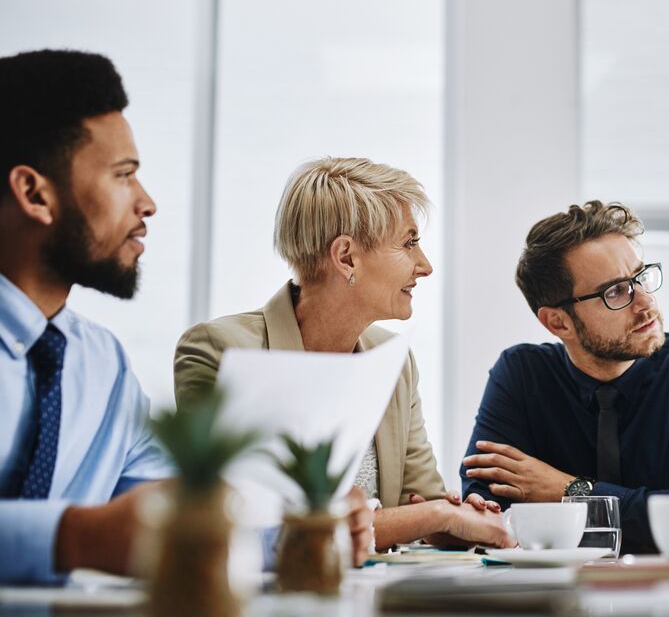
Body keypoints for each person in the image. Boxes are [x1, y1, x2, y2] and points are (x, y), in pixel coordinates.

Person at [174, 157, 512, 550]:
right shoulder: (220, 349)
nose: (426, 266)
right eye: (409, 243)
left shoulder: (394, 359)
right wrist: (433, 516)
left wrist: (454, 521)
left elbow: (422, 500)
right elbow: (243, 523)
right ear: (346, 256)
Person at [460, 200, 669, 554]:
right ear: (559, 322)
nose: (645, 302)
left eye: (641, 277)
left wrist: (570, 491)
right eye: (616, 291)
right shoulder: (522, 375)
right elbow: (487, 514)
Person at [0, 49, 168, 582]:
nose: (147, 203)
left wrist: (300, 532)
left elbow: (170, 518)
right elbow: (99, 536)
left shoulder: (103, 365)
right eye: (123, 175)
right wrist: (73, 537)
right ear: (34, 193)